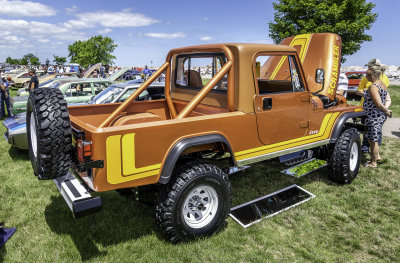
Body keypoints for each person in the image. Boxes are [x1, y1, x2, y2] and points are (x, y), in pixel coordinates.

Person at [356, 59, 391, 153]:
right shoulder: (367, 77)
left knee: (375, 133)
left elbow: (381, 94)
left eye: (370, 66)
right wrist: (367, 92)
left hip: (375, 111)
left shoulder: (382, 78)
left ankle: (375, 153)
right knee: (367, 130)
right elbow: (359, 90)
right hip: (366, 108)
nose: (368, 68)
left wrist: (385, 109)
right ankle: (366, 149)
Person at [362, 62, 392, 168]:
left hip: (373, 116)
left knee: (372, 140)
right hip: (378, 116)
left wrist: (386, 110)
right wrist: (386, 109)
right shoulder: (382, 84)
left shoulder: (373, 87)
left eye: (368, 75)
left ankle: (373, 162)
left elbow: (378, 104)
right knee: (373, 138)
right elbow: (388, 99)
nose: (366, 77)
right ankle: (375, 158)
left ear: (374, 74)